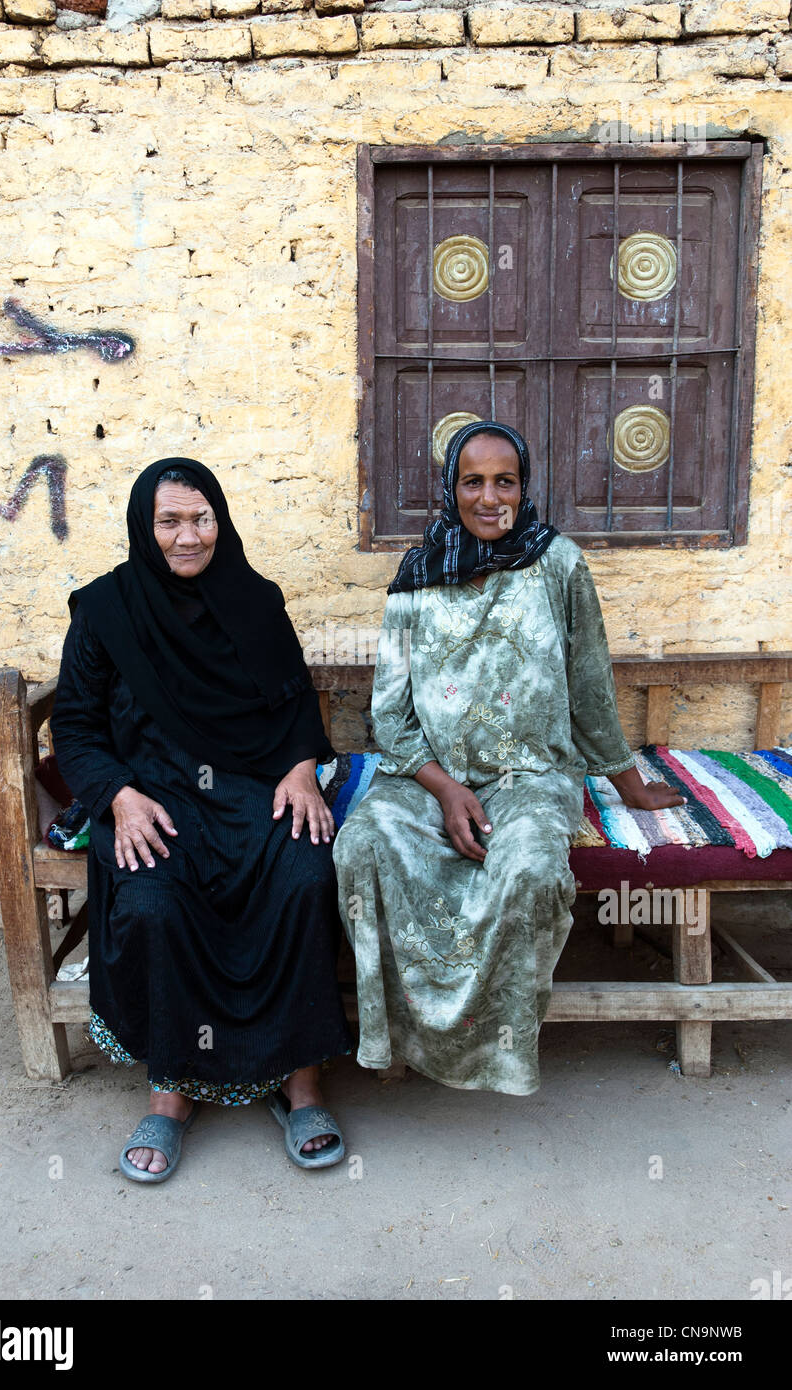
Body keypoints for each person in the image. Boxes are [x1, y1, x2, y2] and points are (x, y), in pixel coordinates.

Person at [332, 421, 684, 1096]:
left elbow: (587, 682)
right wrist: (442, 788)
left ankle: (497, 1053)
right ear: (451, 488)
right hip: (425, 775)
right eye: (473, 481)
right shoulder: (418, 574)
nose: (490, 497)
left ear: (525, 488)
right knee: (362, 847)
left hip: (531, 775)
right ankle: (396, 1039)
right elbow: (391, 710)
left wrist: (628, 784)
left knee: (529, 869)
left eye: (506, 481)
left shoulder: (558, 564)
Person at [50, 457, 352, 1181]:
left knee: (305, 875)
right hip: (153, 798)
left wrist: (301, 766)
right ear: (143, 528)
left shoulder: (256, 599)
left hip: (253, 791)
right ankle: (172, 1089)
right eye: (170, 522)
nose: (188, 537)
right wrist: (117, 796)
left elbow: (294, 703)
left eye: (201, 518)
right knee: (153, 901)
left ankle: (300, 1079)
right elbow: (76, 725)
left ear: (221, 520)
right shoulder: (105, 611)